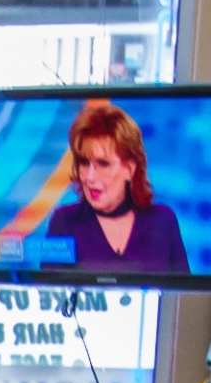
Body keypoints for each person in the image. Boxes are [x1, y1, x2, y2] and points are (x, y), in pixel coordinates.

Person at [36, 100, 189, 279]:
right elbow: (48, 293)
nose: (90, 177)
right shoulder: (64, 222)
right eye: (84, 163)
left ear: (129, 169)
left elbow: (185, 296)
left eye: (103, 164)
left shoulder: (163, 221)